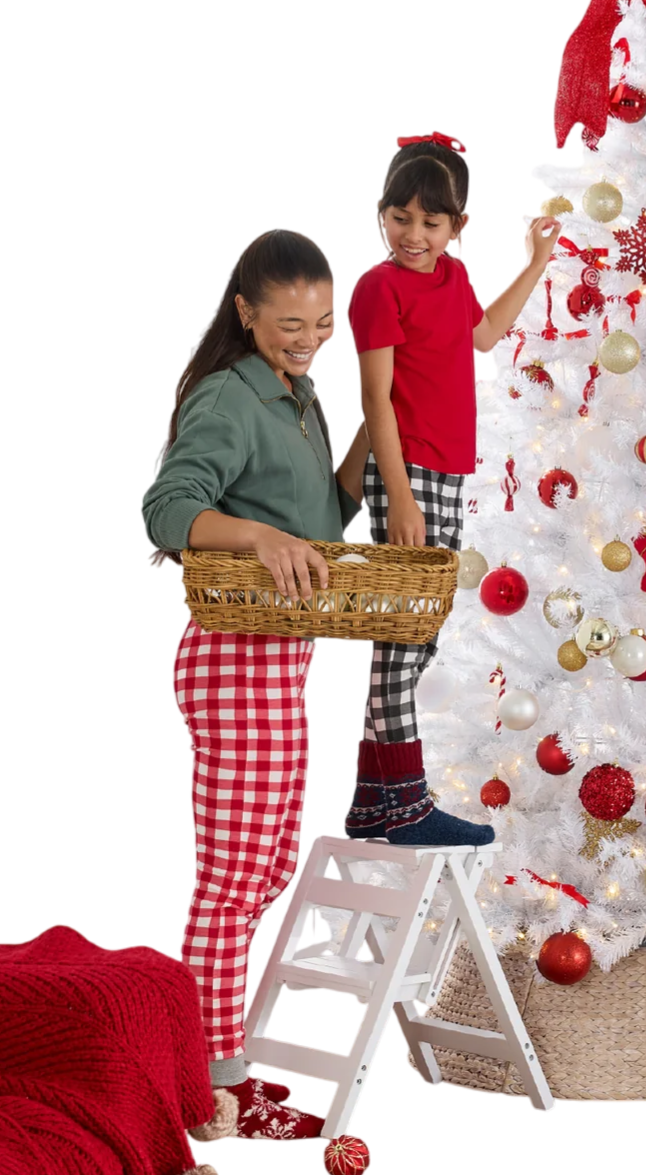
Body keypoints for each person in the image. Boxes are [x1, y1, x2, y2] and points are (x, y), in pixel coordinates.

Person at [142, 230, 370, 1141]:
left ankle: (202, 1053)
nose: (308, 338)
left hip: (283, 661)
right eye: (288, 324)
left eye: (321, 323)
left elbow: (323, 518)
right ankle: (214, 1083)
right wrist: (256, 538)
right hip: (236, 658)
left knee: (266, 867)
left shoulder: (298, 397)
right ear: (245, 312)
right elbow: (168, 505)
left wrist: (381, 422)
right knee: (231, 884)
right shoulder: (228, 398)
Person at [342, 134, 561, 846]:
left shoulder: (453, 278)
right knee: (404, 640)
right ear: (383, 216)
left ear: (457, 227)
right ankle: (403, 804)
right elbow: (377, 399)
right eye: (399, 218)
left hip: (447, 472)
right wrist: (398, 497)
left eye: (430, 223)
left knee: (417, 638)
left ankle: (372, 801)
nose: (413, 235)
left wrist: (538, 262)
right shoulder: (379, 289)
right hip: (406, 472)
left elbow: (489, 335)